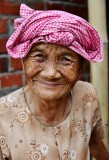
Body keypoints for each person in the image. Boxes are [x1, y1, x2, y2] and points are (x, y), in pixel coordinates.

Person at [0, 4, 109, 160]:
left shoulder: (87, 95)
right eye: (39, 57)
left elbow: (95, 143)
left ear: (80, 68)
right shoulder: (2, 116)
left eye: (66, 59)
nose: (51, 73)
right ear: (23, 61)